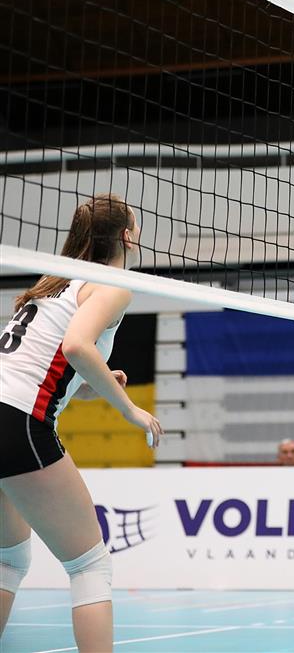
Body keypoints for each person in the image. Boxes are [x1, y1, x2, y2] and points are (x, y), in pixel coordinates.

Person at [0, 193, 163, 652]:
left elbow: (45, 358)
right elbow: (75, 346)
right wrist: (128, 408)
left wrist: (93, 382)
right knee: (89, 566)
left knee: (9, 559)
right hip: (18, 419)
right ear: (127, 236)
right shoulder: (112, 283)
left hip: (5, 407)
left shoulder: (55, 280)